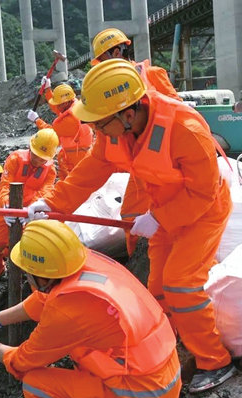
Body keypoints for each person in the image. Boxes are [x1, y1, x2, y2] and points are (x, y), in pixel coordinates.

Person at [27, 59, 237, 393]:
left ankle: (216, 361)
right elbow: (89, 171)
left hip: (202, 212)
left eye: (99, 124)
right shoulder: (113, 131)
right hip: (162, 210)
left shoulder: (185, 129)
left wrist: (160, 219)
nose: (95, 131)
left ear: (128, 114)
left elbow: (202, 192)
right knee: (155, 289)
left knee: (181, 285)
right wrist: (53, 204)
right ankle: (167, 350)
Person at [0, 220, 181, 398]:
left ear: (42, 276)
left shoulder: (69, 312)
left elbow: (23, 361)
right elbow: (43, 300)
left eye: (28, 272)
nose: (26, 277)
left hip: (142, 392)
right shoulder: (81, 264)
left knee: (36, 385)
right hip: (161, 373)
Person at [91, 27, 182, 256]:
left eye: (103, 60)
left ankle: (161, 254)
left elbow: (176, 113)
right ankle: (138, 263)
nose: (102, 66)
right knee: (131, 215)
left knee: (169, 214)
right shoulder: (110, 87)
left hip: (165, 162)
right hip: (140, 166)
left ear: (118, 51)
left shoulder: (152, 74)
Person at [0, 129, 58, 289]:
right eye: (35, 154)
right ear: (30, 148)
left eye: (42, 158)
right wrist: (6, 205)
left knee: (30, 245)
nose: (37, 160)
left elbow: (46, 192)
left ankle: (31, 280)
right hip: (6, 208)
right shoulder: (15, 159)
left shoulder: (50, 171)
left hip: (29, 213)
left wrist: (31, 209)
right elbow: (4, 184)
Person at [28, 80, 94, 180]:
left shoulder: (72, 119)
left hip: (78, 160)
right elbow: (57, 106)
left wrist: (37, 120)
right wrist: (48, 89)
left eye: (59, 104)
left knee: (75, 183)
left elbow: (52, 133)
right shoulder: (73, 104)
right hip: (73, 156)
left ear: (66, 102)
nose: (57, 106)